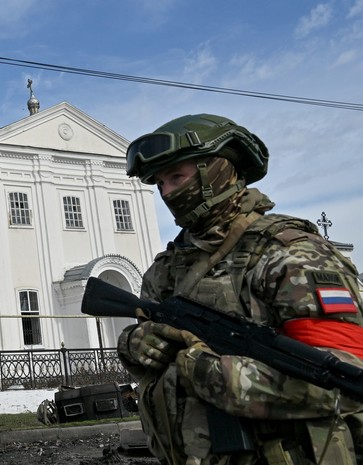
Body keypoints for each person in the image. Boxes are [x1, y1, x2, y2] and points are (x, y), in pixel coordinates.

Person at [119, 114, 363, 465]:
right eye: (159, 183)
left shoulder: (291, 254)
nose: (168, 193)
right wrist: (133, 345)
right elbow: (149, 347)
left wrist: (212, 374)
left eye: (176, 177)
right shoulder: (166, 270)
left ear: (216, 171)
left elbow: (346, 377)